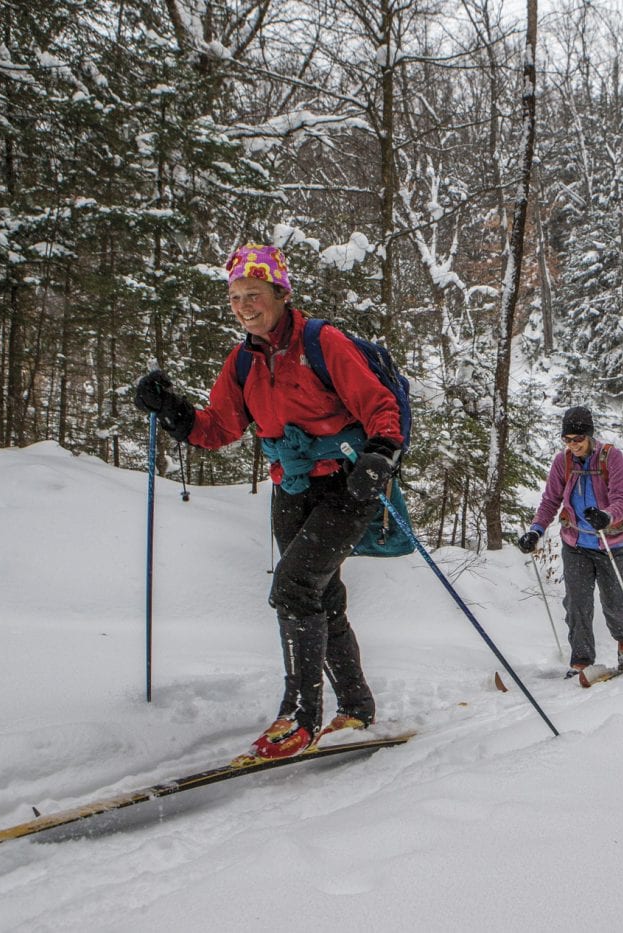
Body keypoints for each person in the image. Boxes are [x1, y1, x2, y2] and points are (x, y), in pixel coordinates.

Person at [134, 243, 403, 762]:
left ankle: (300, 715)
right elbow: (218, 429)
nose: (242, 306)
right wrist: (172, 410)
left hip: (348, 481)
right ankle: (356, 708)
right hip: (293, 488)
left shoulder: (321, 341)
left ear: (281, 293)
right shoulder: (241, 362)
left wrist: (381, 453)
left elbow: (379, 404)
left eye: (252, 294)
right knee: (322, 597)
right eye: (234, 297)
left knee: (294, 587)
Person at [517, 406, 623, 676]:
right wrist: (536, 530)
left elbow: (621, 498)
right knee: (577, 603)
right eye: (567, 440)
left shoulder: (610, 457)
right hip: (576, 545)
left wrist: (606, 516)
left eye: (578, 440)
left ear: (589, 436)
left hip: (610, 544)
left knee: (614, 601)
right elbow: (550, 500)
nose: (573, 445)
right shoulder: (564, 462)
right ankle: (581, 660)